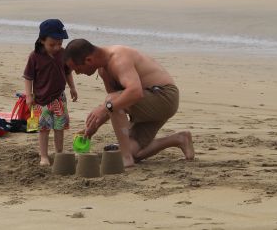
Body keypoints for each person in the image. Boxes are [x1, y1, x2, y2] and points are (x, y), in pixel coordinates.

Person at [64, 39, 194, 168]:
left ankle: (125, 159)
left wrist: (104, 108)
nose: (77, 73)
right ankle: (180, 139)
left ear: (88, 60)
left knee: (111, 101)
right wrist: (93, 127)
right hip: (146, 105)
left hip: (164, 97)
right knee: (134, 152)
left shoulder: (118, 59)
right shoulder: (103, 71)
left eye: (77, 68)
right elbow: (117, 105)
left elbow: (134, 93)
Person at [23, 19, 78, 166]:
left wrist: (72, 88)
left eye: (59, 43)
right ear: (42, 41)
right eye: (52, 44)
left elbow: (67, 72)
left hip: (59, 98)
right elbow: (28, 77)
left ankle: (59, 153)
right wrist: (28, 96)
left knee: (59, 127)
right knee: (43, 129)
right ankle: (44, 156)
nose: (56, 47)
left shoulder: (63, 53)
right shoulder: (34, 56)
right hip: (40, 100)